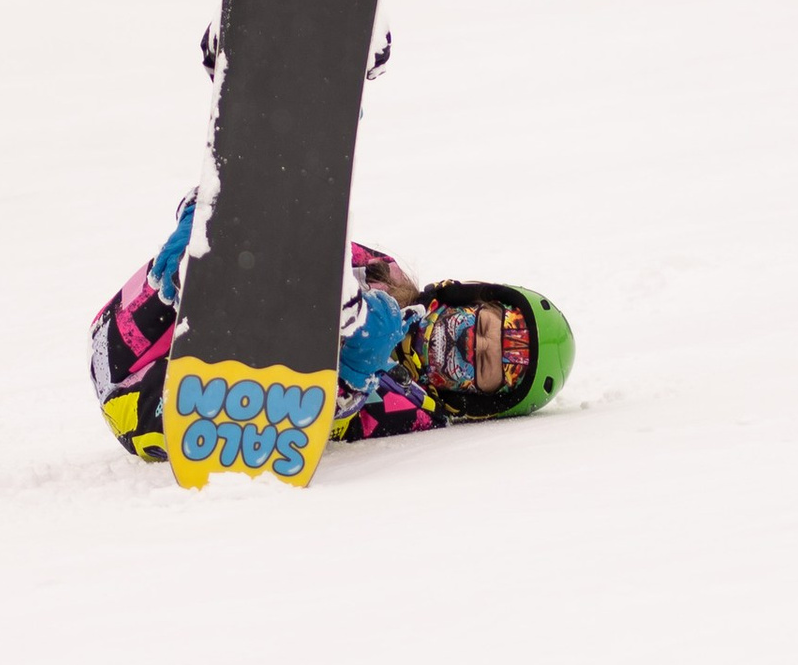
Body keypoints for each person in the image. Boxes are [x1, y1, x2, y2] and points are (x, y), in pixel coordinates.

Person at [91, 194, 575, 464]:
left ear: (474, 398)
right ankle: (185, 264)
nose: (472, 342)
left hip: (167, 416)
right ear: (464, 298)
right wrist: (210, 214)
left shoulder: (418, 412)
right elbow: (297, 230)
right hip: (120, 345)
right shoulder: (384, 275)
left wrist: (355, 375)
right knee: (255, 250)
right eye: (483, 325)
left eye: (482, 362)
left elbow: (319, 431)